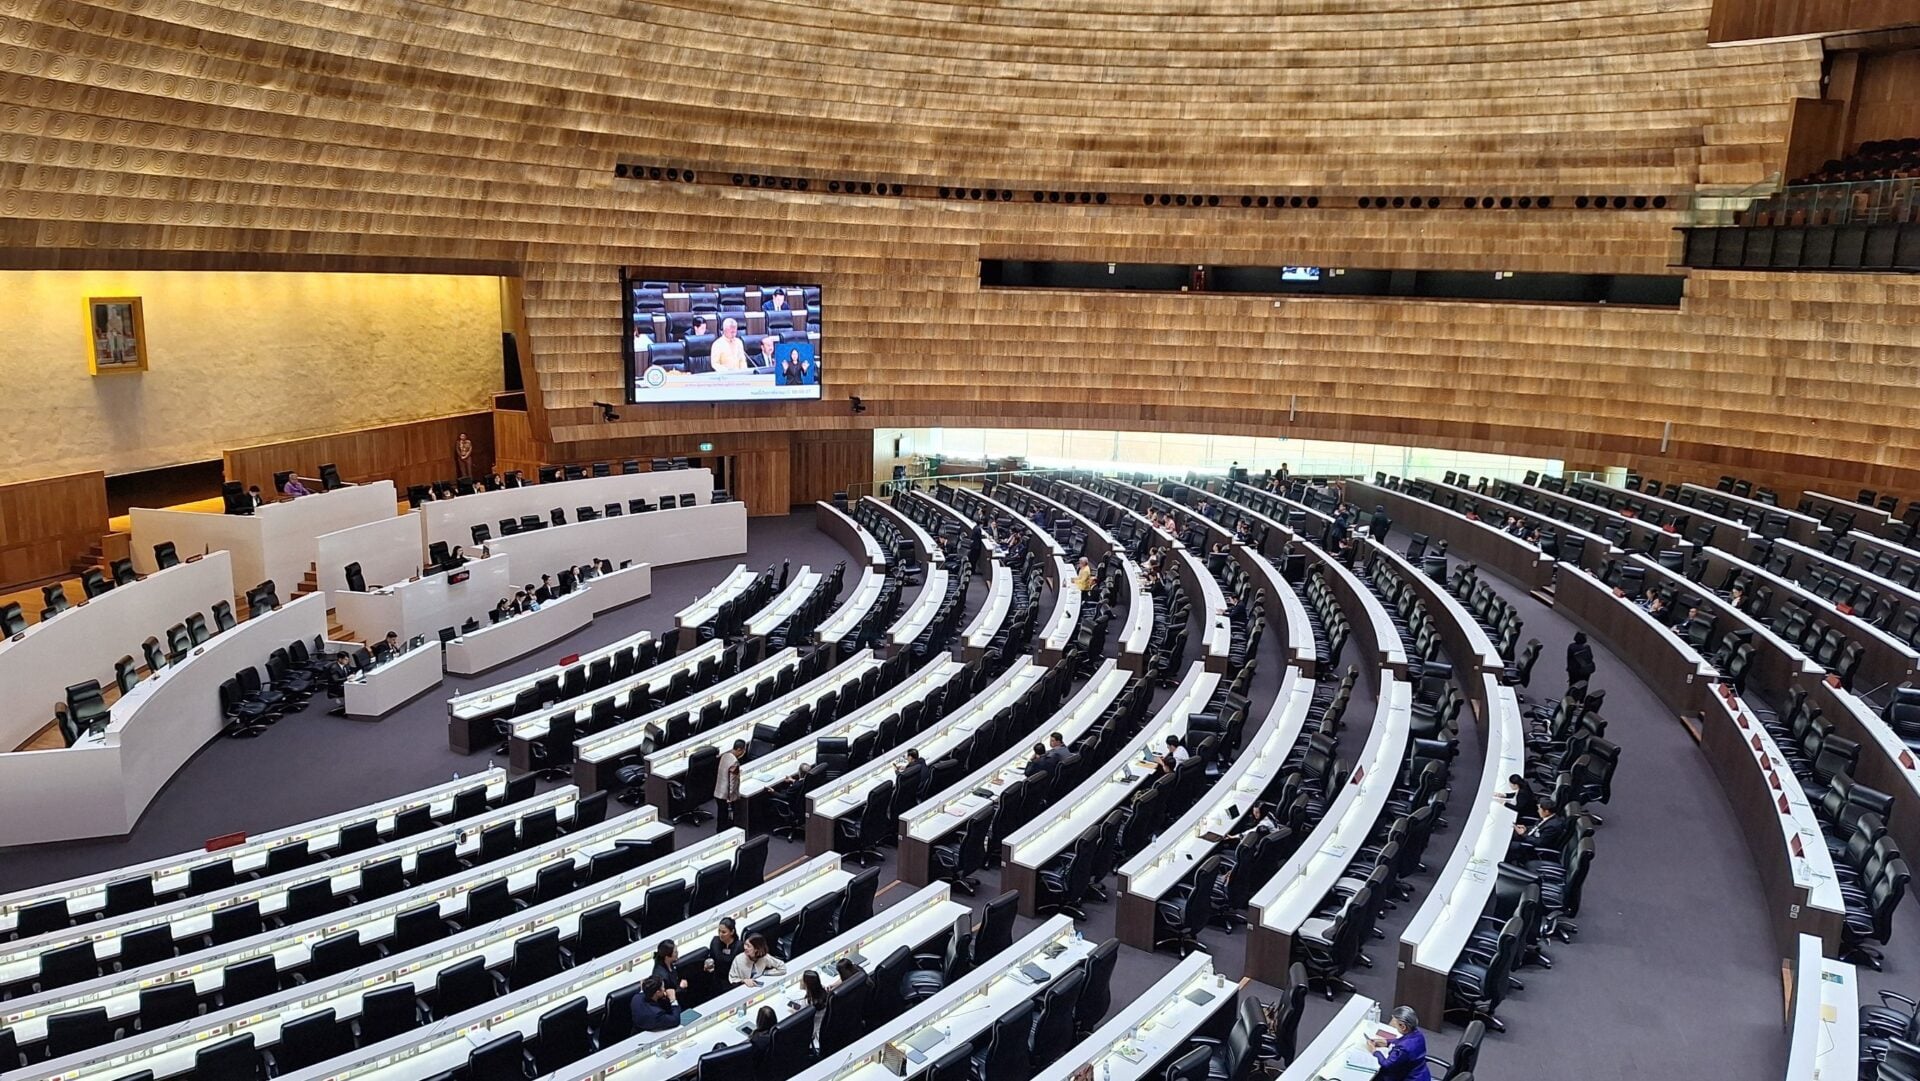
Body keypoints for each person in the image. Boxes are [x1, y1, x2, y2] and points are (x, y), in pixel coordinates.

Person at [1366, 1005, 1433, 1081]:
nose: (1391, 1024)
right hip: (1421, 1074)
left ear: (1403, 1027)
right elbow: (1402, 1041)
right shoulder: (1418, 1034)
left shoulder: (1404, 1048)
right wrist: (1387, 1042)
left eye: (1394, 1024)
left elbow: (1386, 1065)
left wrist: (1374, 1051)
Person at [716, 738, 746, 828]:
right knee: (726, 818)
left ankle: (719, 831)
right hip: (726, 795)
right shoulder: (734, 762)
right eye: (743, 750)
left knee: (720, 815)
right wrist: (732, 797)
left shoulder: (724, 756)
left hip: (718, 790)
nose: (743, 753)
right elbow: (733, 782)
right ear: (739, 750)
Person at [799, 969, 830, 1044]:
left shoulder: (807, 1003)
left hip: (815, 1033)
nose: (800, 981)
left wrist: (794, 1012)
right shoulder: (824, 992)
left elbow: (802, 1020)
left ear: (807, 984)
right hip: (825, 1026)